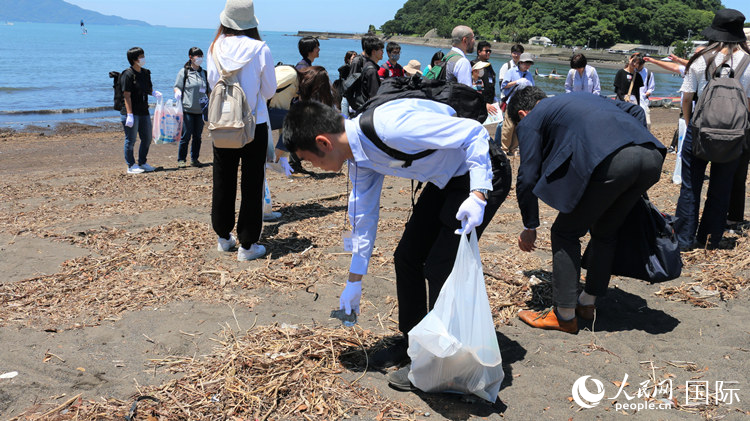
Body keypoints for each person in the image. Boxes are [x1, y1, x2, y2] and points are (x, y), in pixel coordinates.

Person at [282, 99, 511, 369]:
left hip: (481, 172)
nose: (313, 166)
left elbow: (473, 132)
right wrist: (354, 281)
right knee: (407, 257)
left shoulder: (390, 128)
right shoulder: (358, 159)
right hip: (444, 177)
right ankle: (413, 343)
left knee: (440, 266)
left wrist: (478, 194)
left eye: (308, 160)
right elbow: (364, 218)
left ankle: (441, 362)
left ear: (323, 143)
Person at [509, 87, 665, 333]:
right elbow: (635, 110)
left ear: (522, 114)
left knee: (564, 232)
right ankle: (587, 303)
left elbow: (527, 178)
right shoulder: (580, 97)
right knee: (606, 230)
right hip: (651, 155)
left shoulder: (532, 119)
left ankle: (564, 315)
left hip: (615, 163)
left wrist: (530, 225)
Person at [675, 8, 750, 250]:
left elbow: (686, 99)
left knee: (690, 186)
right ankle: (710, 238)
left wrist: (689, 125)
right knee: (721, 188)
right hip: (733, 135)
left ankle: (684, 239)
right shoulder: (749, 63)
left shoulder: (700, 59)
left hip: (699, 133)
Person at [207, 0, 276, 261]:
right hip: (253, 123)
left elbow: (213, 83)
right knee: (252, 182)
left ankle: (224, 237)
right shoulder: (260, 49)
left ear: (225, 20)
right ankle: (248, 245)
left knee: (222, 178)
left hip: (223, 122)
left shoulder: (214, 47)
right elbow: (269, 90)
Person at [120, 46, 161, 174]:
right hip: (131, 112)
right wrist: (130, 114)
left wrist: (154, 93)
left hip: (144, 111)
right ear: (134, 59)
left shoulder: (145, 73)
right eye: (140, 56)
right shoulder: (127, 74)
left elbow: (147, 88)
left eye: (143, 55)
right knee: (131, 139)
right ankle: (131, 165)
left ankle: (142, 162)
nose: (143, 58)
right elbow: (126, 95)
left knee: (147, 137)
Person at [174, 47, 210, 168]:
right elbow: (177, 86)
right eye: (197, 56)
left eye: (201, 56)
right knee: (186, 135)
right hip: (187, 109)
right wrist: (177, 93)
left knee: (198, 137)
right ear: (190, 57)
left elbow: (209, 91)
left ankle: (194, 159)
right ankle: (181, 159)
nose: (199, 58)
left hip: (201, 110)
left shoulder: (204, 73)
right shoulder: (184, 72)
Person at [499, 52, 535, 156]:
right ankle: (504, 149)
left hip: (523, 104)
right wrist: (516, 82)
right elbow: (504, 85)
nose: (527, 65)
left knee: (518, 127)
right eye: (526, 63)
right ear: (520, 62)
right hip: (512, 102)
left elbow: (532, 88)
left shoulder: (528, 74)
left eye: (529, 63)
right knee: (508, 127)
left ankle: (514, 149)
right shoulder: (511, 72)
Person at [471, 41, 498, 115]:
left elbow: (491, 83)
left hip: (490, 104)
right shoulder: (474, 65)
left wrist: (494, 99)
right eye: (486, 51)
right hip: (479, 105)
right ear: (479, 52)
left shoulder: (488, 65)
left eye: (490, 51)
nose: (488, 53)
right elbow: (473, 88)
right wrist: (484, 103)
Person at [634, 53, 656, 129]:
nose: (638, 66)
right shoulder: (632, 71)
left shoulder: (648, 73)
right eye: (637, 64)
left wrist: (645, 94)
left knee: (647, 123)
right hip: (632, 99)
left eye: (640, 64)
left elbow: (651, 88)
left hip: (643, 100)